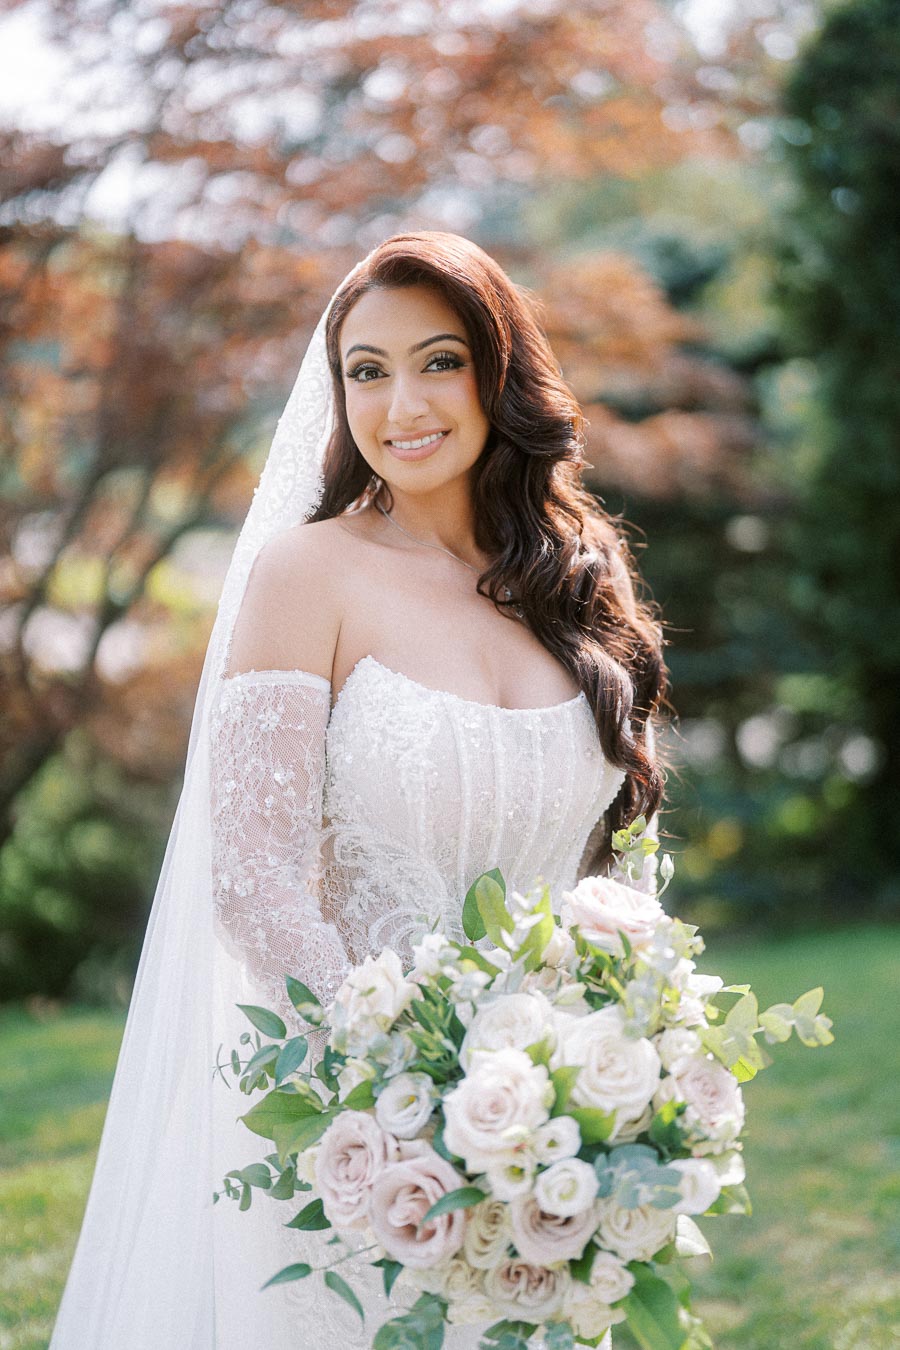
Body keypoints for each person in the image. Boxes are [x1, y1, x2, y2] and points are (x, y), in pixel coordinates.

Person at [50, 232, 669, 1350]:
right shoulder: (307, 575)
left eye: (438, 360)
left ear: (499, 372)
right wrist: (410, 1097)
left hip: (556, 1130)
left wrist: (611, 1074)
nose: (402, 403)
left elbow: (607, 864)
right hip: (368, 1131)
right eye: (367, 371)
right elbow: (256, 882)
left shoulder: (570, 575)